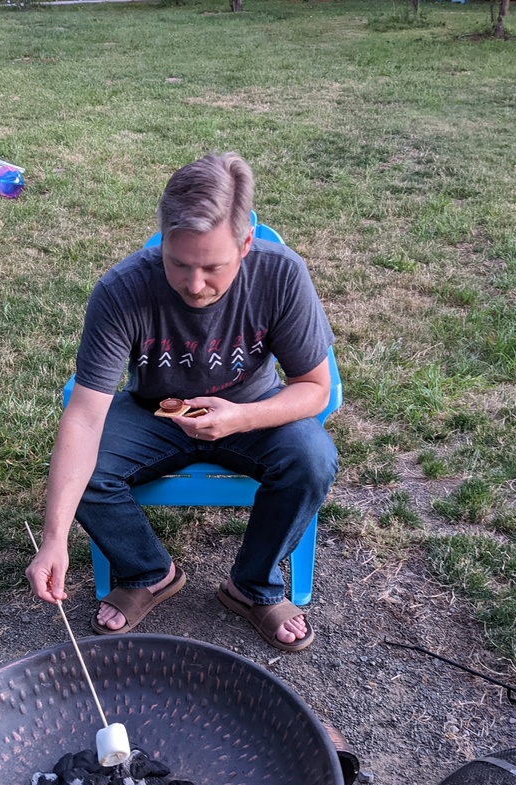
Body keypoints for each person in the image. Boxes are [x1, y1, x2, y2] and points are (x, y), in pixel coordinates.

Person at [26, 152, 337, 652]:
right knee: (81, 470)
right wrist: (54, 538)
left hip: (251, 410)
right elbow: (84, 418)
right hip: (154, 413)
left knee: (313, 458)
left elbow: (315, 388)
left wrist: (242, 417)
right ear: (162, 241)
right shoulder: (121, 289)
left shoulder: (282, 275)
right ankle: (149, 573)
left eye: (213, 267)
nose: (195, 286)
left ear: (246, 244)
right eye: (178, 264)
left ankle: (252, 587)